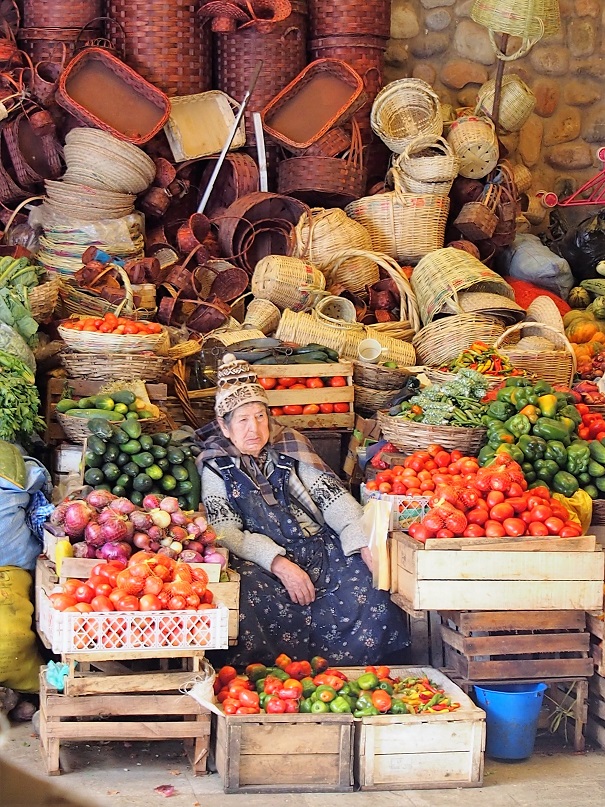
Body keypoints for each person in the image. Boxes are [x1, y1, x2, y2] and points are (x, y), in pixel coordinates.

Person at [196, 352, 409, 667]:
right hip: (263, 561)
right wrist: (279, 564)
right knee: (244, 595)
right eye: (242, 419)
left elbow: (332, 498)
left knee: (369, 580)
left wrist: (361, 541)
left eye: (259, 416)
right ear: (224, 427)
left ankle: (360, 674)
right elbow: (225, 530)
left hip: (317, 548)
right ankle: (265, 680)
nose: (254, 428)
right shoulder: (216, 465)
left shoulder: (290, 447)